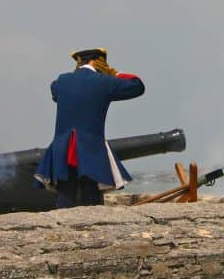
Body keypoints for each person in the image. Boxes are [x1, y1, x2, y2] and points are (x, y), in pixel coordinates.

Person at [34, 48, 145, 208]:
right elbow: (137, 85)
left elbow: (54, 90)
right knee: (91, 197)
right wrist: (114, 73)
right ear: (96, 61)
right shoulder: (104, 82)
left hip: (62, 148)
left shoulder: (62, 81)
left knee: (65, 196)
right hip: (90, 148)